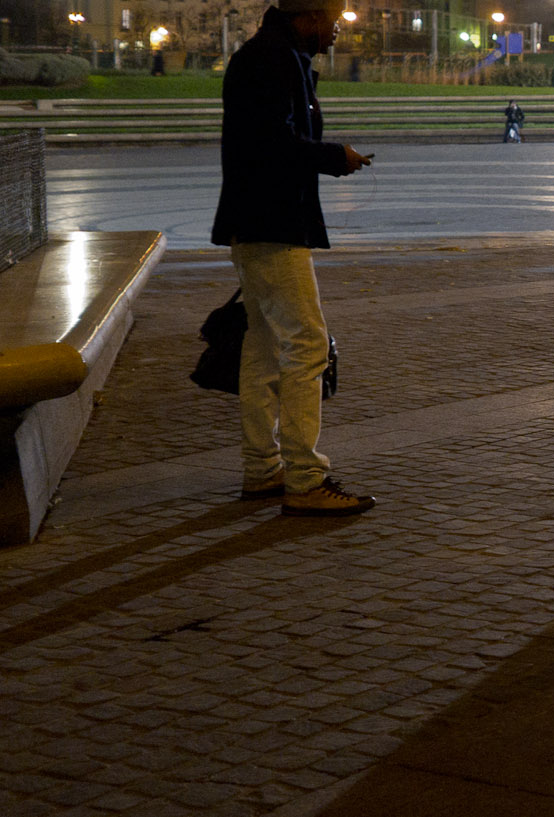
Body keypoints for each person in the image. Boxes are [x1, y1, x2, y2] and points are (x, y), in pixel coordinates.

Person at [211, 0, 376, 517]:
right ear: (308, 17)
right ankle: (306, 478)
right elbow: (273, 144)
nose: (336, 32)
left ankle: (263, 469)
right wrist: (333, 157)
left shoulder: (274, 56)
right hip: (273, 222)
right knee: (307, 344)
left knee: (262, 350)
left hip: (260, 221)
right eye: (332, 22)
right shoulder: (272, 60)